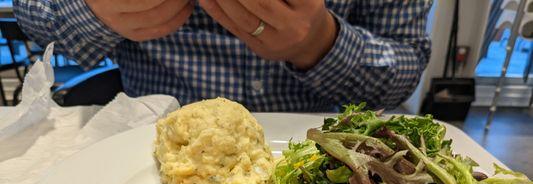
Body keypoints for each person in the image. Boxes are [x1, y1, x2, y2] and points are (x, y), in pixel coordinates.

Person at [13, 0, 432, 112]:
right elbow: (31, 16)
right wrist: (90, 12)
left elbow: (406, 64)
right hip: (144, 158)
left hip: (313, 158)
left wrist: (321, 44)